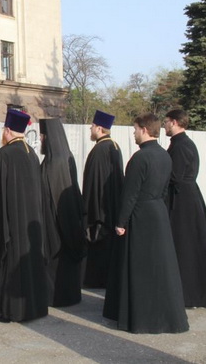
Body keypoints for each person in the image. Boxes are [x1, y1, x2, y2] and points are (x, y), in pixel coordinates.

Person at [103, 113, 189, 334]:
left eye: (134, 129)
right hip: (158, 212)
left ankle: (142, 317)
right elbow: (164, 190)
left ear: (143, 129)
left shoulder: (140, 158)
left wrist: (121, 221)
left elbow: (130, 194)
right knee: (160, 268)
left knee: (140, 269)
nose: (133, 133)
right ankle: (164, 315)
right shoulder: (164, 155)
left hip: (140, 216)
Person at [0, 109, 49, 322]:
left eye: (3, 130)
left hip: (12, 219)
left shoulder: (5, 154)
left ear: (8, 131)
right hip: (30, 221)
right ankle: (32, 308)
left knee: (9, 261)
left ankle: (9, 310)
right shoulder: (31, 154)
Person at [163, 109, 206, 307]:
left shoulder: (180, 146)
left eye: (166, 121)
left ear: (175, 122)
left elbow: (175, 176)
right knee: (192, 245)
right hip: (188, 197)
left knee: (187, 246)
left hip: (182, 201)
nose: (164, 125)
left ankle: (191, 294)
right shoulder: (184, 143)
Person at [39, 118, 87, 307]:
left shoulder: (56, 162)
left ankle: (58, 296)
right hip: (63, 219)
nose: (41, 139)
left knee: (58, 261)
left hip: (57, 221)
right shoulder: (64, 156)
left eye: (43, 135)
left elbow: (58, 195)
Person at [82, 110, 124, 289]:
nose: (90, 129)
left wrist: (88, 211)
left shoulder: (100, 150)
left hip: (100, 212)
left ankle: (97, 280)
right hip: (113, 207)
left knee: (100, 248)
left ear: (99, 128)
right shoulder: (114, 146)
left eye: (92, 126)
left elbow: (94, 185)